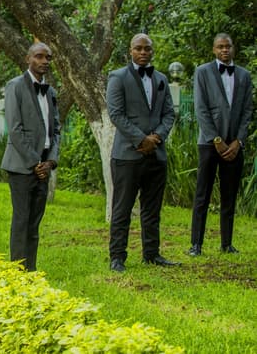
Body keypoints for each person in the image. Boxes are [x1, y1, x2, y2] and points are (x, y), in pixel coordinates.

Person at [107, 33, 177, 272]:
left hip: (156, 154)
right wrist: (141, 139)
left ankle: (152, 253)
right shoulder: (118, 77)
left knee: (152, 209)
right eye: (139, 49)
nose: (143, 52)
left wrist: (156, 137)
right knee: (122, 208)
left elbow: (169, 113)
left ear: (152, 51)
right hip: (128, 154)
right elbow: (116, 114)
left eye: (147, 49)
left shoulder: (161, 79)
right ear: (131, 50)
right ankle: (117, 257)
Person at [188, 33, 253, 256]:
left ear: (233, 48)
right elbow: (201, 109)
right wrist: (216, 140)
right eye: (220, 47)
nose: (225, 50)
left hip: (235, 145)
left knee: (229, 195)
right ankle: (196, 244)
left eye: (228, 46)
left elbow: (247, 111)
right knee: (202, 195)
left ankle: (226, 244)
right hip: (209, 143)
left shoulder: (244, 75)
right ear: (214, 50)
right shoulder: (202, 72)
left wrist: (238, 141)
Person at [0, 42, 61, 272]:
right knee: (21, 219)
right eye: (39, 56)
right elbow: (15, 129)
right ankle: (17, 270)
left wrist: (50, 162)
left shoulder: (51, 91)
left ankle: (31, 271)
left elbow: (56, 130)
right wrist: (35, 163)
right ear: (28, 59)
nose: (44, 61)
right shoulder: (15, 86)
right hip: (22, 166)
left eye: (48, 57)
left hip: (44, 165)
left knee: (35, 222)